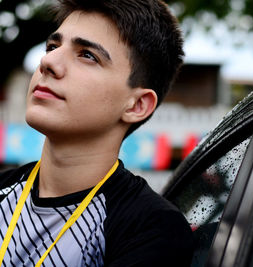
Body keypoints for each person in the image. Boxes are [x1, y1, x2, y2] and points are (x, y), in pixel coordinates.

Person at [0, 0, 194, 266]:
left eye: (87, 55)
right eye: (53, 46)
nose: (48, 62)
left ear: (137, 105)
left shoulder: (151, 229)